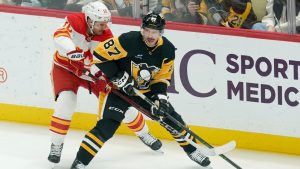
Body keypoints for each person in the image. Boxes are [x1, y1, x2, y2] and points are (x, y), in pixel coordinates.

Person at [70, 12, 211, 169]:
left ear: (160, 32)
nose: (150, 35)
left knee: (172, 120)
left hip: (147, 92)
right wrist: (117, 75)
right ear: (142, 29)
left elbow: (161, 78)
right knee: (107, 127)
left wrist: (161, 98)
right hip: (121, 90)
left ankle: (193, 151)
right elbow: (100, 55)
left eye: (155, 32)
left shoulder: (167, 50)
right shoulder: (128, 40)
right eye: (147, 31)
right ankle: (81, 161)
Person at [48, 1, 162, 167]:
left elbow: (102, 61)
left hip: (92, 76)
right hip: (65, 69)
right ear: (89, 20)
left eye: (106, 23)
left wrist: (103, 76)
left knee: (123, 107)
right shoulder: (74, 20)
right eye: (101, 24)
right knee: (66, 102)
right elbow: (59, 35)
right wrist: (71, 50)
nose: (104, 27)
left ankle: (144, 133)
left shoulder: (106, 36)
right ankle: (56, 145)